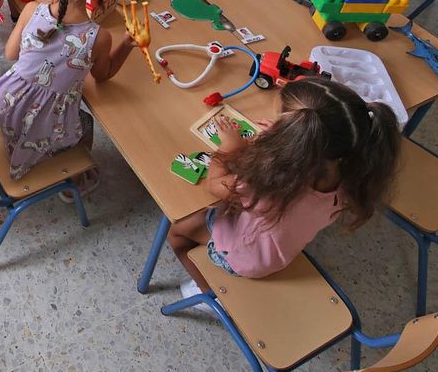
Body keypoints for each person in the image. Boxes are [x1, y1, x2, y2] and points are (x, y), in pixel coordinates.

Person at [166, 78, 400, 302]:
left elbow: (215, 185)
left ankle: (209, 295)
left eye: (283, 124)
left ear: (299, 141)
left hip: (246, 257)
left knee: (177, 232)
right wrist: (283, 139)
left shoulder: (273, 181)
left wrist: (229, 146)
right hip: (280, 250)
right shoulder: (352, 174)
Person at [0, 0, 134, 195]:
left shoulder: (31, 10)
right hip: (42, 128)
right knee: (86, 122)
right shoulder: (99, 37)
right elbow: (102, 76)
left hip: (5, 108)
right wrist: (127, 43)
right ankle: (74, 183)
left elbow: (11, 53)